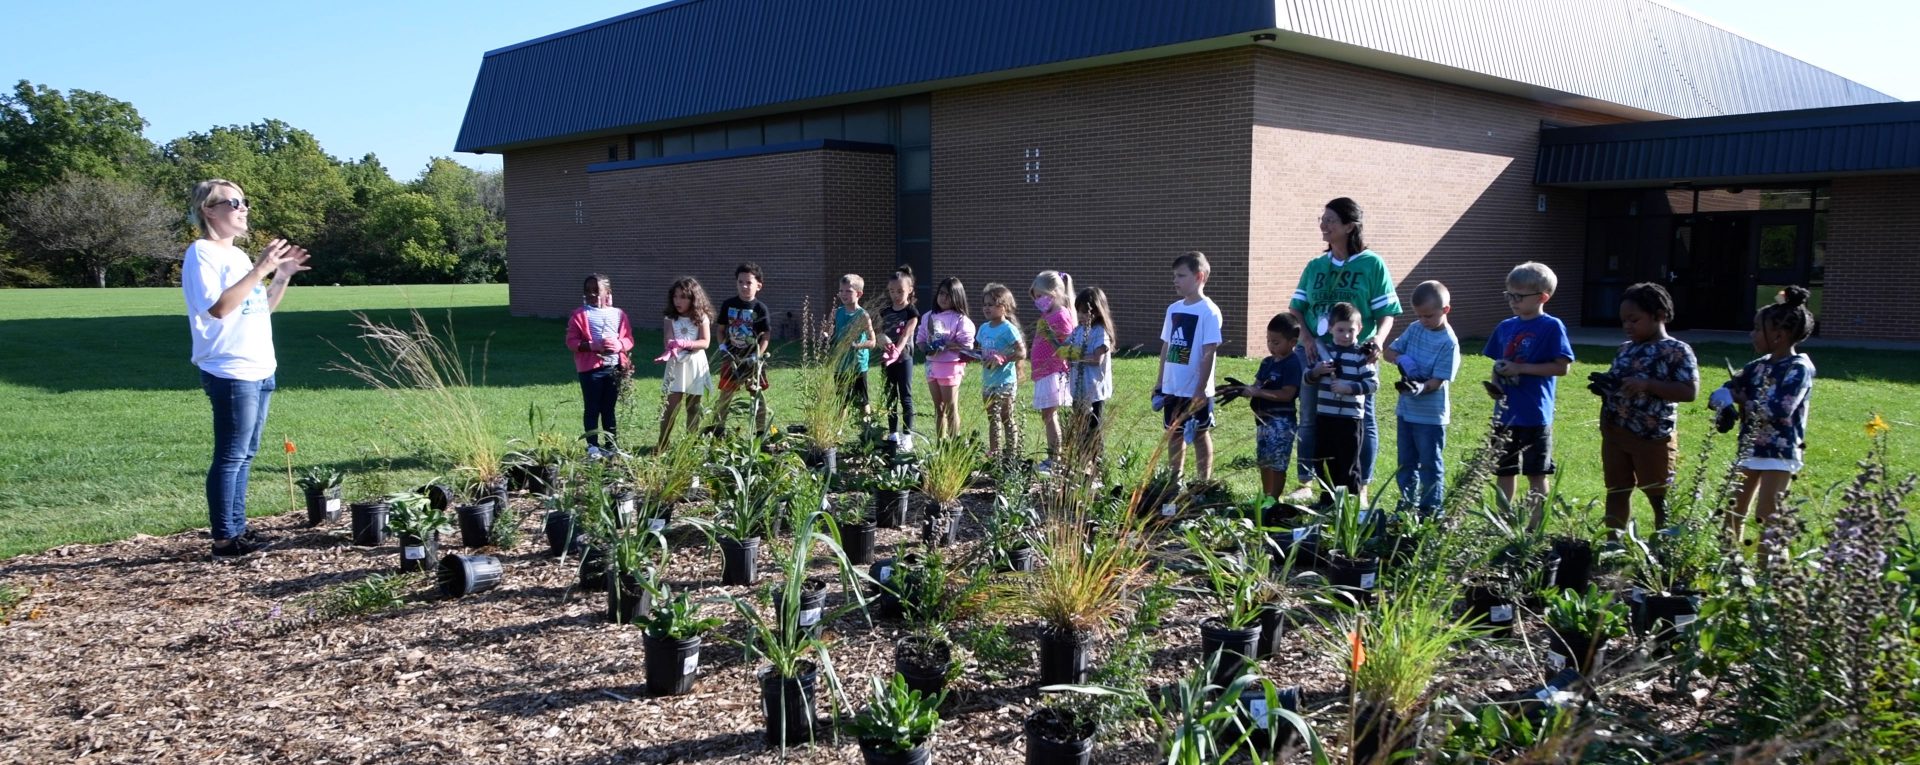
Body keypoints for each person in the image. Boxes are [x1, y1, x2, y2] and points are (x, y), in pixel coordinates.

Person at [182, 179, 311, 561]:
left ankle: (237, 529)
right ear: (208, 210)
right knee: (231, 455)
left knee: (246, 453)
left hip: (259, 367)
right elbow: (218, 308)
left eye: (245, 202)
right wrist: (261, 268)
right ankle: (225, 539)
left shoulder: (237, 257)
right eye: (233, 202)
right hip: (230, 369)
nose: (243, 208)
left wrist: (281, 275)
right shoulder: (202, 254)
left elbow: (259, 308)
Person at [1288, 198, 1400, 501]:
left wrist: (1377, 339)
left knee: (1363, 418)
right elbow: (1297, 309)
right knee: (1310, 417)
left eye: (1330, 221)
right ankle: (1306, 482)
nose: (1323, 225)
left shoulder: (1372, 264)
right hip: (1314, 353)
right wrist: (1309, 340)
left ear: (1349, 226)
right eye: (1322, 219)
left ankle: (1360, 486)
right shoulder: (1315, 265)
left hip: (1356, 354)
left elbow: (1386, 312)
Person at [1715, 286, 1817, 543]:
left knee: (1767, 517)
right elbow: (1724, 390)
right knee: (1732, 511)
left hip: (1779, 454)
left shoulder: (1798, 369)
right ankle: (1729, 570)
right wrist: (1724, 402)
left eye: (1758, 329)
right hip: (1749, 450)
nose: (1752, 334)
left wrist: (1744, 400)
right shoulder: (1756, 367)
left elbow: (1781, 410)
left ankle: (1767, 575)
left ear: (1779, 335)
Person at [1594, 282, 1697, 533]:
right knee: (1616, 490)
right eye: (1623, 321)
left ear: (1659, 315)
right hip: (1616, 433)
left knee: (1658, 494)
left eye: (1634, 320)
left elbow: (1689, 391)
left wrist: (1647, 384)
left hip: (1653, 437)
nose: (1627, 326)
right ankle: (1612, 543)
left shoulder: (1676, 350)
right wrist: (1606, 387)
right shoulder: (1625, 349)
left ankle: (1665, 544)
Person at [1482, 261, 1574, 528]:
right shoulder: (1505, 326)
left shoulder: (1551, 326)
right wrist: (1496, 383)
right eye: (1509, 294)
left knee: (1536, 472)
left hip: (1534, 413)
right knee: (1504, 470)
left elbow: (1561, 367)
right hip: (1506, 413)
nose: (1512, 301)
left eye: (1519, 296)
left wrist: (1522, 368)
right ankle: (1503, 521)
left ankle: (1534, 527)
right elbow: (1498, 362)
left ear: (1542, 297)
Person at [1383, 280, 1460, 517]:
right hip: (1406, 411)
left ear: (1445, 310)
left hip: (1430, 415)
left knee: (1429, 463)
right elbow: (1389, 351)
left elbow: (1437, 382)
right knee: (1406, 461)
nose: (1424, 320)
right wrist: (1402, 360)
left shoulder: (1449, 343)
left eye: (1429, 316)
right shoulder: (1415, 328)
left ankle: (1430, 509)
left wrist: (1419, 388)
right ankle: (1407, 504)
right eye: (1420, 315)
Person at [1155, 251, 1224, 483]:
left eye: (1181, 275)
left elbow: (1209, 353)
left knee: (1200, 433)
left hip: (1196, 389)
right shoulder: (1173, 309)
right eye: (1174, 275)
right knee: (1174, 433)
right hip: (1172, 386)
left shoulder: (1209, 311)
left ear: (1199, 277)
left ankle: (1203, 482)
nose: (1175, 280)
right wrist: (1159, 383)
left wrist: (1200, 390)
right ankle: (1175, 479)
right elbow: (1167, 347)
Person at [1222, 313, 1303, 501]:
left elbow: (1287, 394)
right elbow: (1256, 386)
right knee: (1264, 460)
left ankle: (1274, 499)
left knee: (1277, 463)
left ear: (1292, 342)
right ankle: (1266, 496)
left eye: (1276, 342)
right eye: (1268, 341)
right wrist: (1241, 389)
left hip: (1281, 422)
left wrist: (1258, 393)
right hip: (1262, 420)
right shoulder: (1267, 362)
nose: (1271, 346)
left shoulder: (1292, 364)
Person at [1305, 303, 1377, 503]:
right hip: (1325, 416)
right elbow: (1306, 379)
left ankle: (1349, 503)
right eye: (1340, 330)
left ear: (1360, 330)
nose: (1345, 335)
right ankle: (1327, 499)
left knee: (1348, 462)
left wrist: (1349, 388)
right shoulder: (1323, 353)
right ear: (1330, 328)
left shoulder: (1361, 355)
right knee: (1324, 460)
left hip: (1350, 419)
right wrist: (1317, 371)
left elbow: (1372, 384)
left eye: (1350, 330)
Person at [568, 274, 636, 458]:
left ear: (608, 292)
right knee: (592, 407)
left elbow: (629, 339)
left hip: (614, 368)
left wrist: (620, 345)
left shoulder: (619, 314)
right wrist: (591, 346)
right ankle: (592, 447)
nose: (592, 294)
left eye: (596, 290)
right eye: (588, 291)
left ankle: (611, 445)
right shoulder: (580, 315)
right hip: (591, 370)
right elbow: (571, 341)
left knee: (609, 408)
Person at [713, 263, 772, 437]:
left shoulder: (760, 308)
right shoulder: (728, 304)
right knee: (725, 395)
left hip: (752, 360)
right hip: (731, 358)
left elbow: (766, 336)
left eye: (748, 282)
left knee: (756, 394)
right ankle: (718, 429)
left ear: (758, 285)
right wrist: (723, 347)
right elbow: (721, 330)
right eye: (740, 282)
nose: (744, 286)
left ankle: (761, 432)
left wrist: (757, 357)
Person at [1028, 270, 1079, 473]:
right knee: (1047, 415)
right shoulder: (1048, 314)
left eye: (1041, 296)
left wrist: (1049, 335)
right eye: (1036, 297)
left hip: (1053, 371)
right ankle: (1053, 457)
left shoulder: (1061, 315)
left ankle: (1055, 459)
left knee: (1050, 415)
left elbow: (1069, 348)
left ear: (1054, 293)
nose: (1038, 300)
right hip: (1044, 372)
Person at [655, 276, 713, 451]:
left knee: (693, 407)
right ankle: (662, 443)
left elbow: (705, 342)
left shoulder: (701, 317)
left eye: (683, 297)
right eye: (675, 296)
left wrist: (686, 344)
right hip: (676, 365)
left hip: (695, 364)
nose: (678, 301)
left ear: (693, 298)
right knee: (670, 407)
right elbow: (668, 339)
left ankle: (690, 445)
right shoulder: (670, 318)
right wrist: (672, 346)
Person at [917, 276, 975, 439]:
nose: (943, 298)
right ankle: (940, 445)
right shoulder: (928, 316)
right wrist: (928, 348)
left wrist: (947, 344)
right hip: (931, 366)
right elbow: (920, 339)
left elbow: (967, 346)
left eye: (948, 295)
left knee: (950, 408)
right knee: (938, 408)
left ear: (957, 297)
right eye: (941, 293)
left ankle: (954, 446)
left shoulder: (961, 320)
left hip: (950, 367)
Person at [975, 284, 1026, 465]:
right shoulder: (983, 328)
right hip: (988, 381)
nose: (986, 308)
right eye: (985, 304)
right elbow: (980, 351)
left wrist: (1002, 358)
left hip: (1005, 381)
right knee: (992, 419)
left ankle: (1012, 454)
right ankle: (995, 454)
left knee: (1005, 417)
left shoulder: (1008, 328)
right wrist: (979, 357)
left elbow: (1021, 353)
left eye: (991, 304)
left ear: (1004, 307)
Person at [1069, 286, 1115, 466]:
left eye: (1085, 312)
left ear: (1097, 312)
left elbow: (1097, 359)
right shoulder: (1077, 330)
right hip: (1078, 388)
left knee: (1093, 427)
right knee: (1079, 425)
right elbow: (1066, 347)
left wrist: (1076, 356)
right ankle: (1082, 459)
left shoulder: (1099, 332)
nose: (1080, 316)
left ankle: (1097, 462)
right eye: (1078, 312)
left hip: (1094, 390)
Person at [877, 266, 922, 450]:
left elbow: (906, 334)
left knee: (906, 396)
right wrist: (884, 344)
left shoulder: (911, 312)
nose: (896, 295)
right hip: (887, 360)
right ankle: (893, 433)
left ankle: (907, 435)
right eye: (892, 291)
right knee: (890, 396)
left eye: (900, 291)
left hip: (904, 359)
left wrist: (897, 351)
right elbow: (878, 332)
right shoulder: (885, 312)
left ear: (910, 290)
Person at [830, 274, 877, 411]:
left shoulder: (862, 315)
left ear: (859, 294)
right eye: (841, 291)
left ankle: (867, 429)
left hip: (857, 366)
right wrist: (827, 338)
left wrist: (856, 345)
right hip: (840, 365)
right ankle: (838, 431)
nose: (843, 294)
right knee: (841, 402)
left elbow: (872, 342)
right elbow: (831, 333)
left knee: (863, 402)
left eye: (848, 291)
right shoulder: (837, 312)